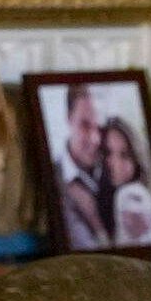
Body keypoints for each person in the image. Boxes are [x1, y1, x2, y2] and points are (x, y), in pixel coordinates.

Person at [52, 84, 110, 250]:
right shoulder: (54, 177)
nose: (95, 138)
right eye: (85, 125)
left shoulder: (116, 170)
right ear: (69, 118)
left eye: (100, 127)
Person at [100, 120, 151, 246]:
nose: (114, 163)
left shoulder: (129, 193)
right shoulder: (105, 196)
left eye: (124, 155)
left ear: (136, 158)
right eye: (107, 152)